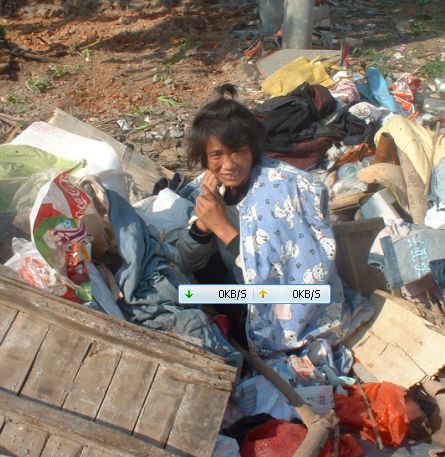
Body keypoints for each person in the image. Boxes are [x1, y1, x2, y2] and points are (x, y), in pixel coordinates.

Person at [174, 84, 371, 355]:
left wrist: (223, 228)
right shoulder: (211, 187)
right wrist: (203, 225)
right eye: (217, 155)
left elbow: (296, 284)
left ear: (252, 149)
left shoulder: (284, 190)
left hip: (292, 303)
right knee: (185, 293)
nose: (228, 165)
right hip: (244, 291)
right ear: (205, 159)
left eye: (237, 151)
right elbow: (185, 261)